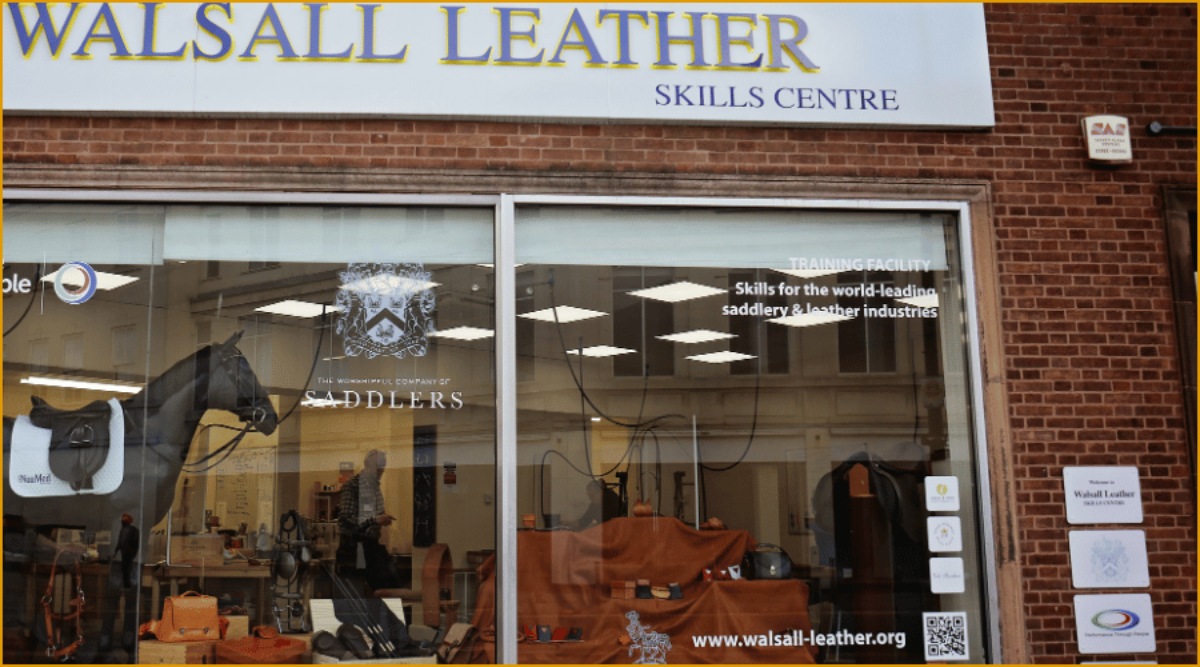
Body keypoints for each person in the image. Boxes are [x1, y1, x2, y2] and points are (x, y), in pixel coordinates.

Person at [337, 450, 400, 590]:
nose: (381, 470)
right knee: (371, 587)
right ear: (367, 465)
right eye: (378, 466)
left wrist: (382, 519)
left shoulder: (375, 487)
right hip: (355, 548)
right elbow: (347, 519)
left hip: (371, 545)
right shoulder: (353, 486)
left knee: (391, 582)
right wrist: (375, 520)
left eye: (383, 466)